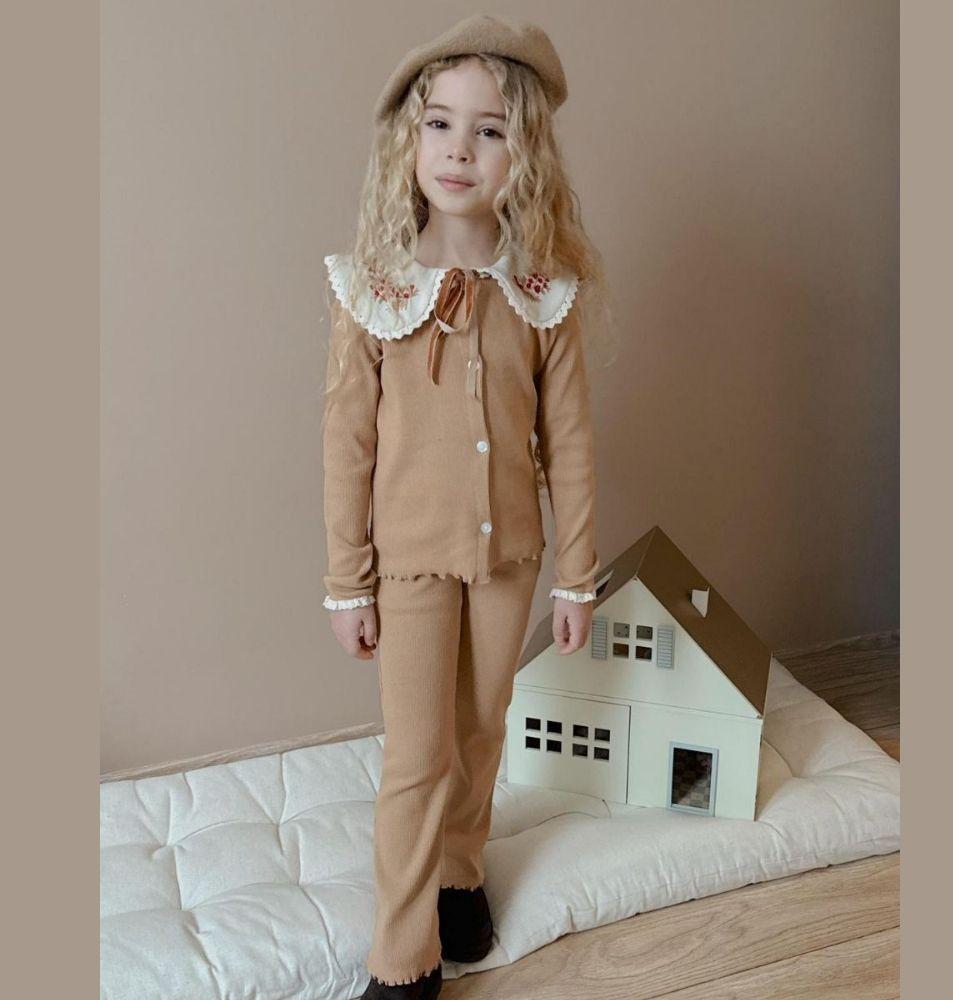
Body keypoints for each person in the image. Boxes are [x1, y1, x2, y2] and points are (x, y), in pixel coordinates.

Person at [320, 14, 618, 999]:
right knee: (417, 753)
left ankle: (459, 874)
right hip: (407, 560)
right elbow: (347, 444)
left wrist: (577, 574)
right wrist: (346, 582)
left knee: (481, 727)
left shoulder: (542, 294)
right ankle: (403, 958)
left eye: (488, 130)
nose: (459, 150)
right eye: (440, 124)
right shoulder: (372, 288)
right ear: (411, 141)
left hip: (509, 557)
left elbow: (568, 442)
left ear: (522, 153)